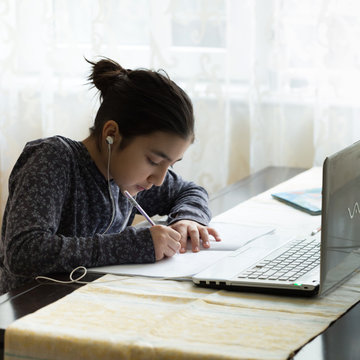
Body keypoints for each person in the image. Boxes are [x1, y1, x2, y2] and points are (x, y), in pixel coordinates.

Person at [0, 57, 221, 294]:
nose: (158, 179)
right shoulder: (53, 159)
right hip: (26, 310)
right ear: (111, 134)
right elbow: (24, 251)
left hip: (89, 302)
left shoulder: (127, 178)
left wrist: (188, 218)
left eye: (171, 165)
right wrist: (135, 245)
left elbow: (189, 191)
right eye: (154, 161)